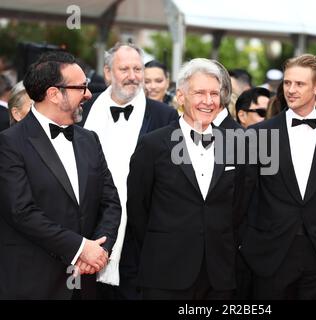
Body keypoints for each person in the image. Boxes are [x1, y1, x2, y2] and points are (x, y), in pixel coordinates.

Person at [0, 51, 121, 299]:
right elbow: (21, 211)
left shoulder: (90, 140)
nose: (88, 94)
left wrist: (99, 251)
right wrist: (80, 249)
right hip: (33, 284)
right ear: (54, 94)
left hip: (84, 282)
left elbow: (110, 202)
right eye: (81, 87)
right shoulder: (9, 144)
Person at [127, 58, 249, 299]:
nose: (208, 101)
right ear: (181, 97)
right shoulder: (152, 145)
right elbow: (138, 209)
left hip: (219, 274)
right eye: (200, 93)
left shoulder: (236, 144)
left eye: (214, 94)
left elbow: (240, 205)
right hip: (165, 272)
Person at [241, 54, 316, 299]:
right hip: (269, 255)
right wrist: (248, 244)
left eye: (299, 84)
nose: (290, 90)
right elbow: (246, 193)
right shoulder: (259, 134)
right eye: (287, 83)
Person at [79, 43, 178, 299]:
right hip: (84, 231)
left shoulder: (165, 116)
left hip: (138, 236)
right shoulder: (83, 111)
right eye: (124, 68)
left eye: (138, 68)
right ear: (108, 72)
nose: (133, 75)